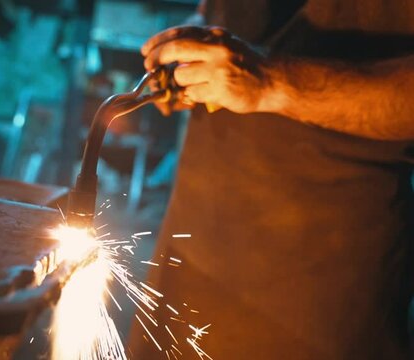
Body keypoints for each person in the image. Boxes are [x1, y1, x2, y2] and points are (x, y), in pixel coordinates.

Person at [129, 0, 414, 359]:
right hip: (193, 241)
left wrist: (272, 82)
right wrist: (192, 48)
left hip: (320, 282)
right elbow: (217, 11)